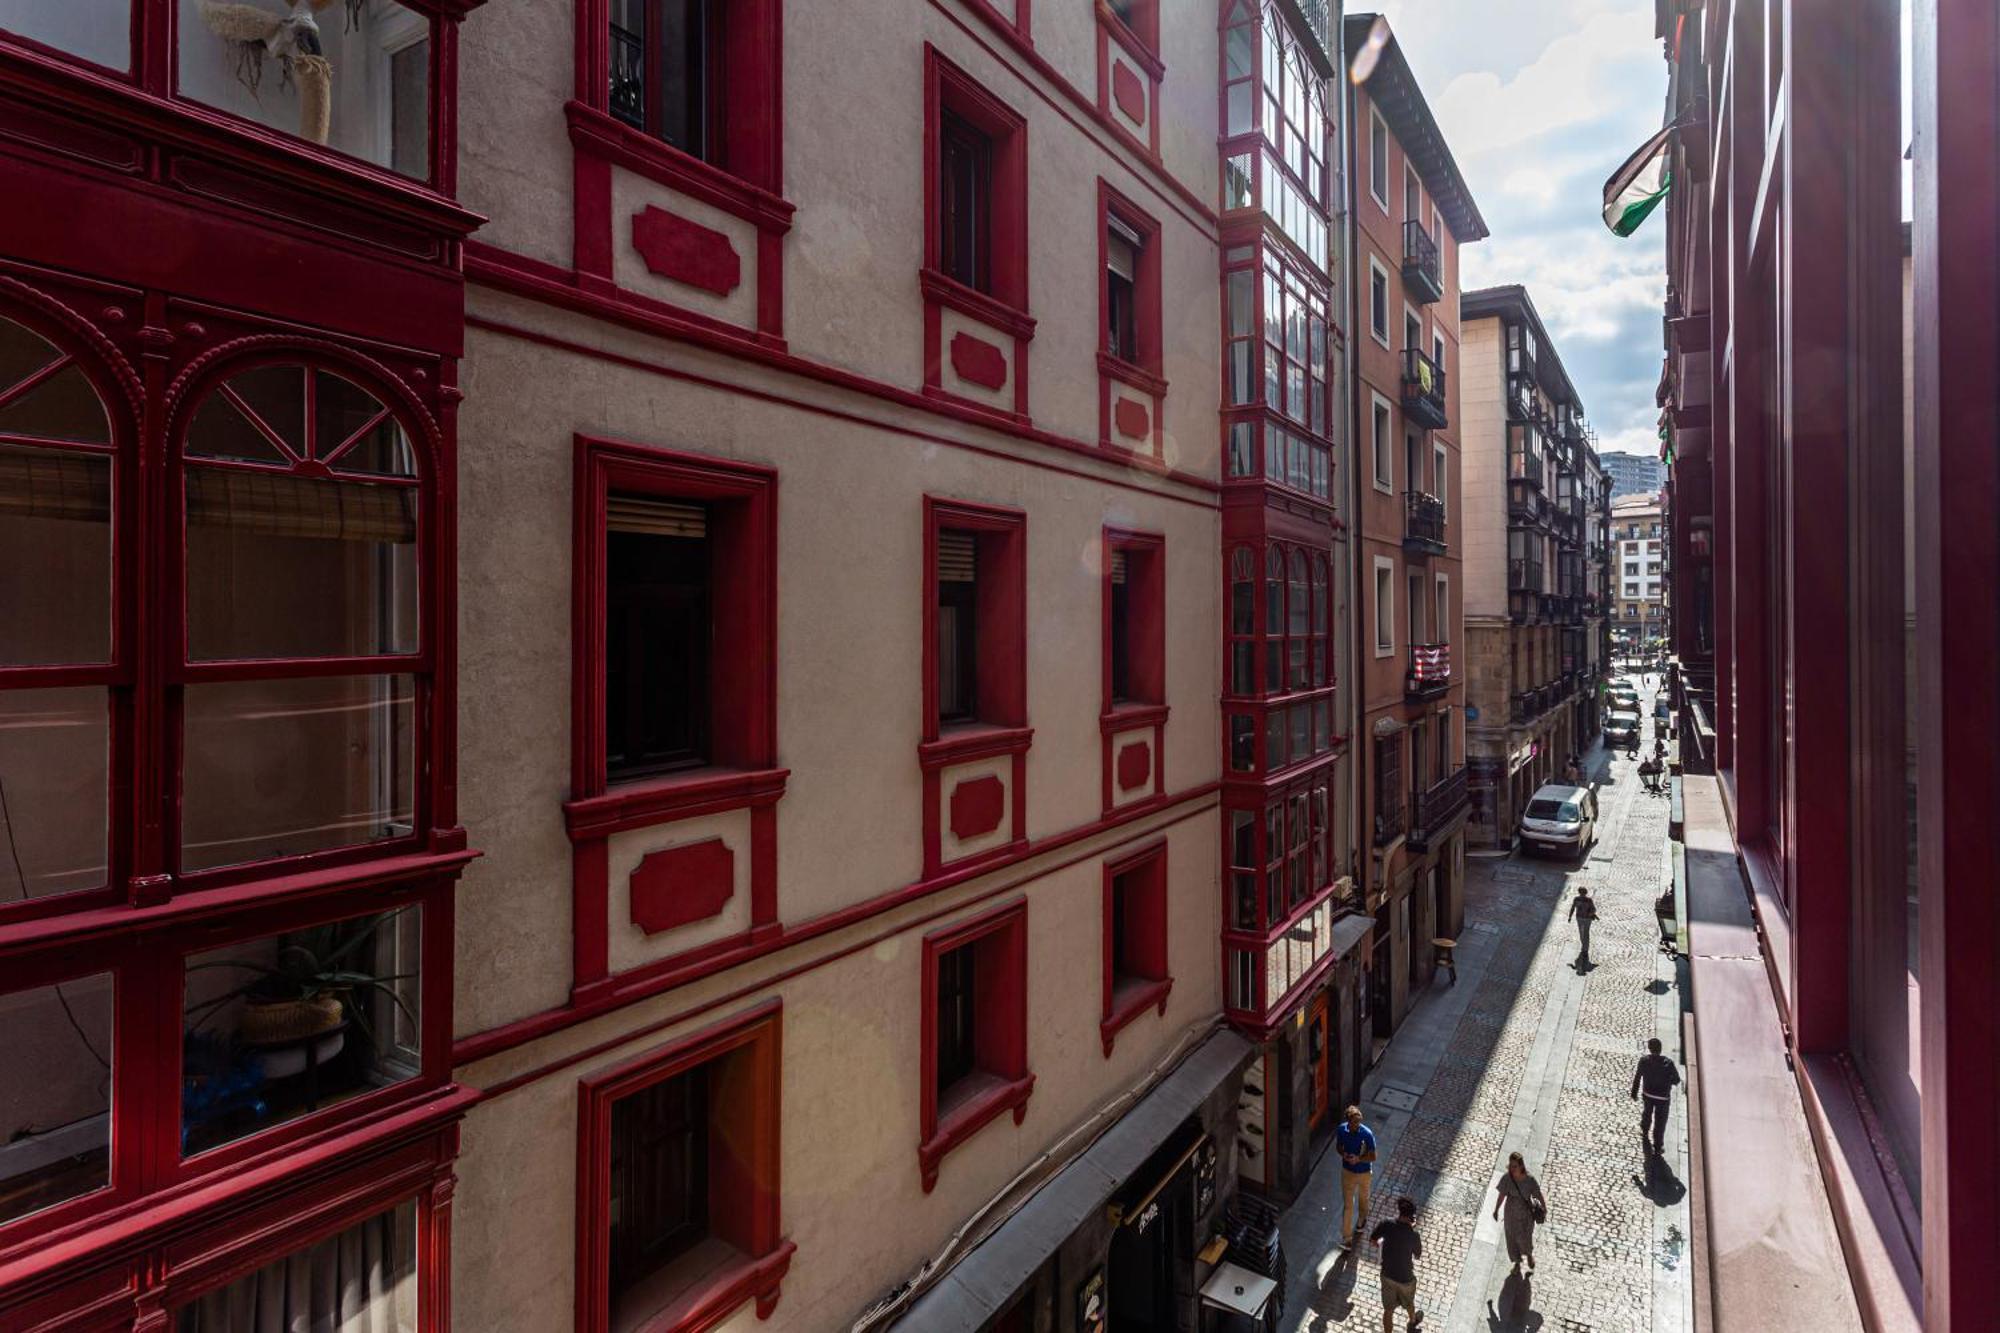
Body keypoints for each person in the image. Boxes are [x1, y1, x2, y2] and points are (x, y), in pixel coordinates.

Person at [1370, 1195, 1426, 1331]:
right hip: (1405, 1278)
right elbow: (1417, 1255)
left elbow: (1373, 1240)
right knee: (1409, 1303)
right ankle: (1412, 1323)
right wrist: (1411, 1229)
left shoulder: (1386, 1224)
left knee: (1388, 1310)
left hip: (1387, 1275)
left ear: (1400, 1211)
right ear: (1412, 1217)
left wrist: (1380, 1244)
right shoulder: (1413, 1235)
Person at [1491, 1152, 1545, 1273]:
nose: (1511, 1168)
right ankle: (1517, 1263)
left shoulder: (1530, 1180)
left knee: (1525, 1238)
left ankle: (1529, 1255)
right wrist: (1496, 1209)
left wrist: (1544, 1208)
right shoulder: (1507, 1178)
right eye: (1510, 1165)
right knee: (1512, 1240)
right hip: (1510, 1215)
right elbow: (1502, 1195)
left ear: (1521, 1166)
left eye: (1514, 1166)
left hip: (1526, 1216)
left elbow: (1538, 1194)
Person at [1334, 1105, 1378, 1244]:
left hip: (1364, 1173)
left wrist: (1358, 1159)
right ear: (1348, 1122)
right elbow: (1338, 1147)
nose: (1357, 1125)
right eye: (1354, 1123)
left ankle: (1361, 1222)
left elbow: (1373, 1157)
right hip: (1347, 1172)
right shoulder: (1341, 1130)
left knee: (1363, 1200)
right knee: (1348, 1206)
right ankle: (1347, 1238)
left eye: (1359, 1122)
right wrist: (1344, 1155)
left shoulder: (1367, 1134)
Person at [1631, 1037, 1683, 1155]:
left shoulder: (1644, 1061)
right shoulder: (1668, 1063)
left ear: (1649, 1049)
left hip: (1648, 1094)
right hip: (1663, 1098)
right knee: (1660, 1122)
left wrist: (1634, 1092)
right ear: (1660, 1049)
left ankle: (1644, 1130)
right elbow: (1676, 1080)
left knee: (1647, 1112)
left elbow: (1638, 1077)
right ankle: (1658, 1146)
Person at [1567, 885, 1596, 965]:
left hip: (1586, 919)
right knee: (1581, 933)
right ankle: (1584, 946)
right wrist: (1570, 916)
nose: (1583, 894)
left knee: (1586, 933)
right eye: (1582, 892)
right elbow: (1573, 907)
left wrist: (1591, 913)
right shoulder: (1577, 899)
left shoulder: (1588, 900)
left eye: (1583, 893)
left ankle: (1585, 949)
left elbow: (1593, 909)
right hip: (1579, 918)